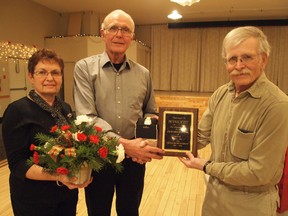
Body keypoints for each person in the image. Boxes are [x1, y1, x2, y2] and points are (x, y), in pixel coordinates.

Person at [179, 26, 288, 216]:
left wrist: (206, 166)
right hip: (213, 199)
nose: (239, 65)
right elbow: (200, 136)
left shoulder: (277, 105)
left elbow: (258, 172)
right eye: (232, 59)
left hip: (251, 205)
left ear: (263, 60)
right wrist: (160, 143)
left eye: (247, 57)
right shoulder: (221, 94)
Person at [73, 9, 165, 216]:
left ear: (132, 37)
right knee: (98, 211)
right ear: (103, 33)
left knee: (130, 210)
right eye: (113, 28)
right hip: (99, 156)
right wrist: (126, 145)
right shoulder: (84, 68)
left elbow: (151, 113)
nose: (119, 34)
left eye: (125, 30)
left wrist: (145, 143)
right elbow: (86, 118)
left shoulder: (144, 74)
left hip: (135, 160)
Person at [2, 48, 91, 216]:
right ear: (31, 76)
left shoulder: (65, 108)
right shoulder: (17, 111)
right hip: (33, 200)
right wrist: (59, 176)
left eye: (55, 73)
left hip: (66, 195)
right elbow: (18, 165)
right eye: (42, 72)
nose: (50, 78)